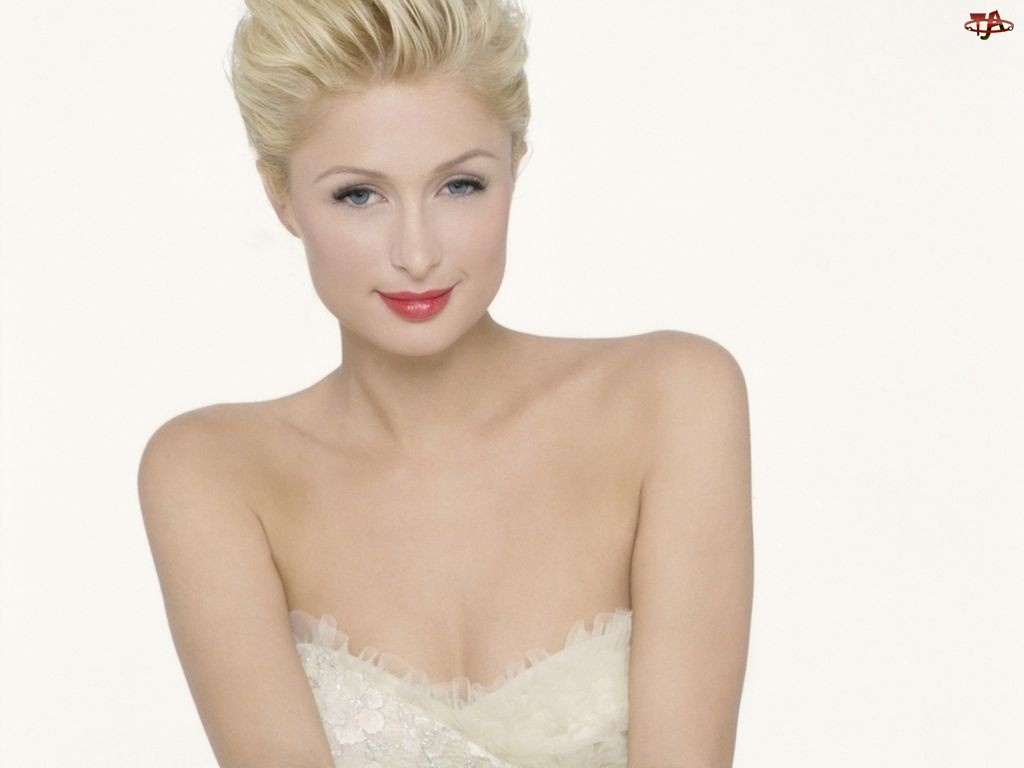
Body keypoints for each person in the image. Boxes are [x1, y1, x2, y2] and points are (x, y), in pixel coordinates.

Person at [137, 0, 754, 766]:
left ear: (514, 164)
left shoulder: (671, 401)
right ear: (281, 196)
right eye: (358, 194)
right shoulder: (213, 472)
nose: (417, 252)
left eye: (459, 185)